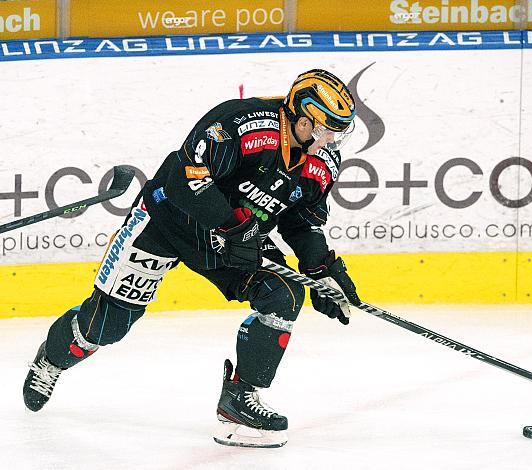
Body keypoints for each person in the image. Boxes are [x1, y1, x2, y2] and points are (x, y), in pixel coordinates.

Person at [22, 69, 361, 448]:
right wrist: (237, 228)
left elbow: (300, 222)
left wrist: (322, 269)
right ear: (303, 118)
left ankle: (239, 401)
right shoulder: (242, 124)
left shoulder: (321, 163)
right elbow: (185, 182)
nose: (332, 140)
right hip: (167, 222)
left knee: (283, 293)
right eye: (328, 129)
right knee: (107, 326)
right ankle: (51, 359)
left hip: (231, 239)